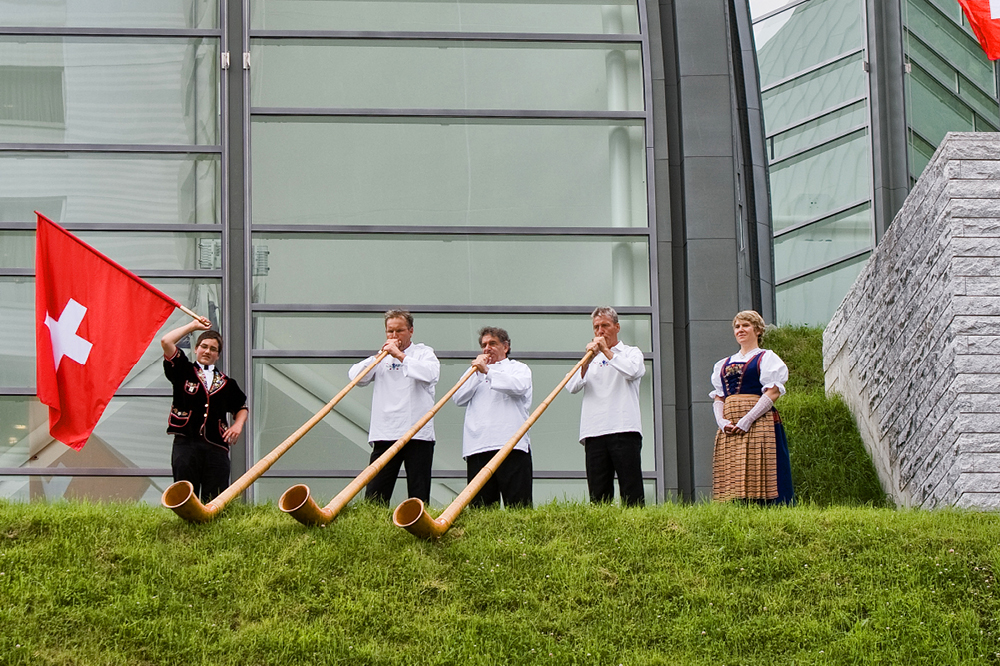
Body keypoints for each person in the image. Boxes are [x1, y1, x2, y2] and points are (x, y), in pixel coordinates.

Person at [349, 310, 440, 504]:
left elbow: (430, 374)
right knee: (376, 490)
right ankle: (372, 526)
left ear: (411, 331)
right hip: (385, 431)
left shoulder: (424, 353)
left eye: (399, 330)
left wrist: (400, 356)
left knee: (418, 490)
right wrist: (377, 357)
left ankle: (419, 524)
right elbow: (356, 377)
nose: (394, 336)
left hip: (417, 432)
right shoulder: (381, 357)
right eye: (390, 331)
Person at [710, 310, 794, 504]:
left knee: (759, 468)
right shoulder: (722, 364)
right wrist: (722, 421)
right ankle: (735, 508)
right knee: (733, 471)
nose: (741, 330)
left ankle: (765, 508)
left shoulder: (767, 357)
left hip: (758, 420)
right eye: (737, 326)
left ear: (758, 330)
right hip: (730, 424)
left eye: (745, 325)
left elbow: (773, 391)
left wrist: (748, 419)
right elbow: (719, 397)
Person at [162, 318, 248, 504]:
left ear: (218, 355)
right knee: (185, 494)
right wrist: (193, 326)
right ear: (196, 349)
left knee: (215, 497)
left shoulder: (227, 383)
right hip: (186, 442)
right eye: (204, 346)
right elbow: (166, 341)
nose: (207, 351)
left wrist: (238, 425)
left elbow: (241, 408)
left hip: (216, 446)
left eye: (213, 349)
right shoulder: (183, 370)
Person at [567, 306, 646, 506]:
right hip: (594, 431)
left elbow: (632, 371)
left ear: (617, 327)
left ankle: (636, 528)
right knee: (598, 492)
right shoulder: (590, 357)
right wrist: (587, 360)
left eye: (605, 325)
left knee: (631, 488)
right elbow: (572, 386)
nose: (600, 331)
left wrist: (606, 352)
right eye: (596, 327)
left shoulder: (631, 352)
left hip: (624, 427)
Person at [452, 326, 533, 508]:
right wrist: (478, 371)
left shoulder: (518, 368)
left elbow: (519, 386)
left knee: (519, 505)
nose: (487, 348)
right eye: (484, 345)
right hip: (478, 445)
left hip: (512, 444)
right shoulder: (474, 371)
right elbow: (457, 397)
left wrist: (488, 372)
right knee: (481, 507)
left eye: (492, 343)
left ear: (505, 346)